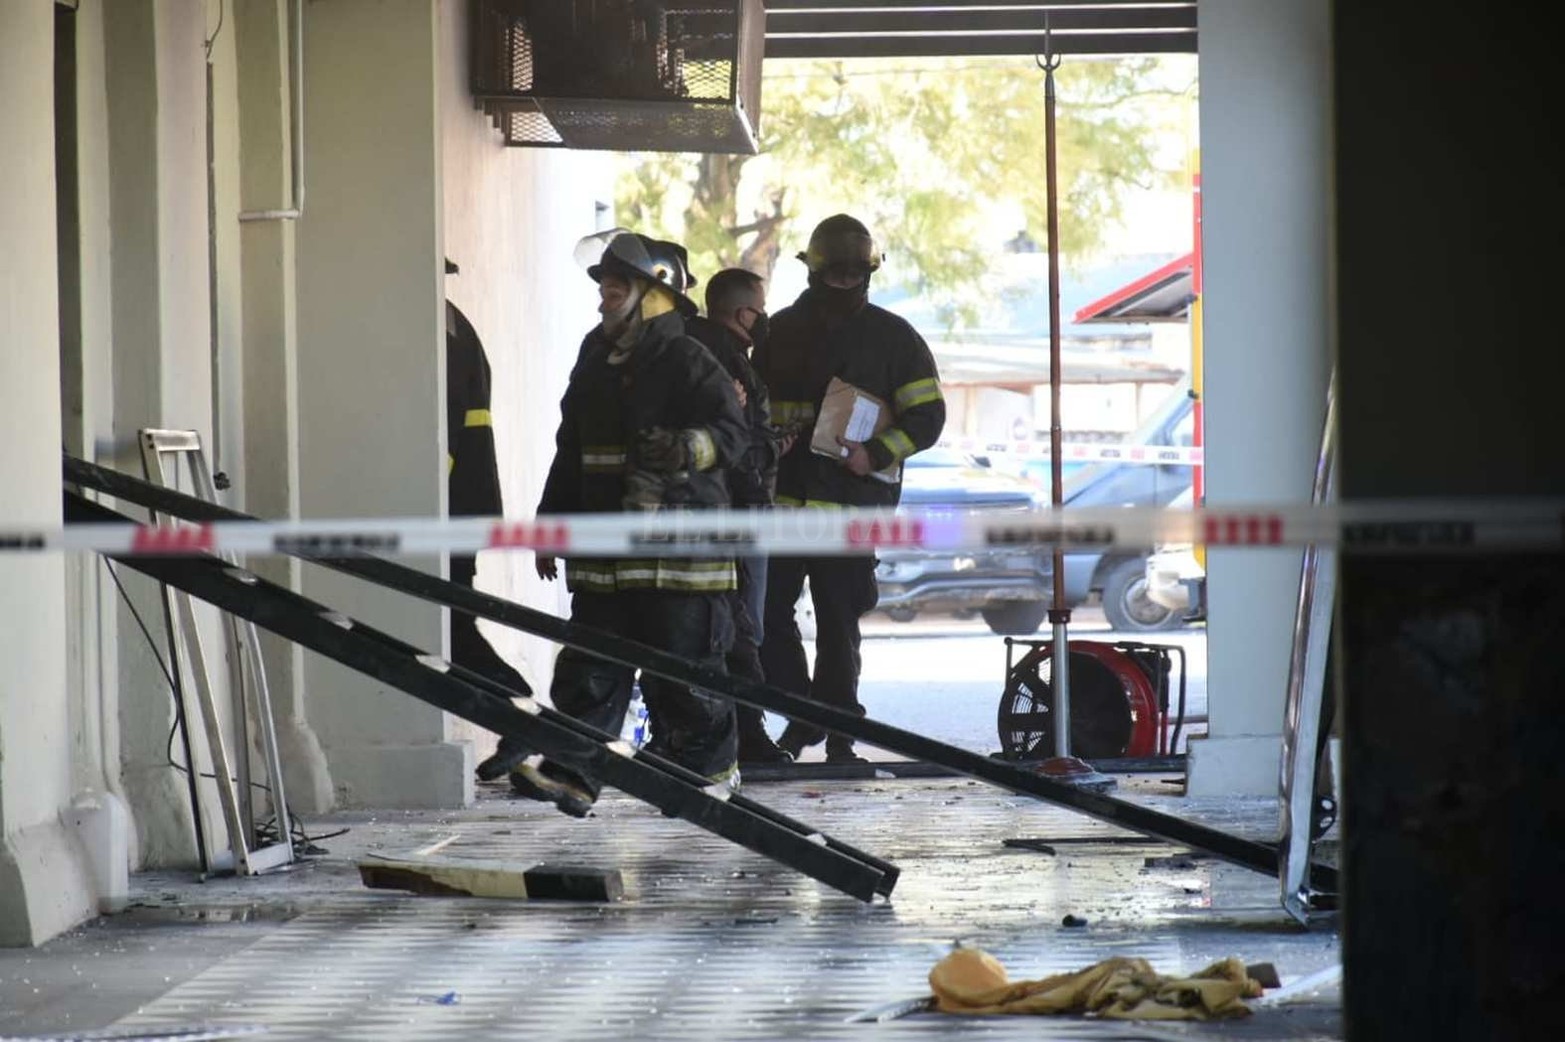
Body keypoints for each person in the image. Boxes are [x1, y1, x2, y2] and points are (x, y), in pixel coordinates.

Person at [510, 231, 748, 816]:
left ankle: (705, 782)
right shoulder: (595, 358)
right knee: (590, 669)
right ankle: (572, 773)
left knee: (685, 677)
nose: (602, 301)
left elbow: (735, 435)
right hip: (605, 557)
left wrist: (685, 448)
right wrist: (551, 524)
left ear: (656, 294)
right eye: (604, 291)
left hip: (681, 560)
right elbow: (571, 449)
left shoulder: (690, 358)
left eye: (616, 290)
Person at [753, 215, 946, 764]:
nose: (841, 285)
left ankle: (839, 735)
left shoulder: (895, 338)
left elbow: (928, 415)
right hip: (785, 507)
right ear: (814, 272)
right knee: (766, 616)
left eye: (850, 276)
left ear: (867, 274)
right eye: (832, 275)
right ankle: (803, 714)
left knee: (838, 624)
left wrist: (877, 453)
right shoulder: (778, 332)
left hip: (851, 507)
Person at [680, 268, 791, 766]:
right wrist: (776, 446)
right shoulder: (724, 363)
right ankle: (744, 737)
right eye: (759, 308)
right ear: (742, 312)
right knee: (741, 631)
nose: (764, 318)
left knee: (723, 629)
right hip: (736, 516)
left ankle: (727, 735)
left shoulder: (692, 351)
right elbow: (737, 447)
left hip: (716, 514)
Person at [443, 258, 535, 738]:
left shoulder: (436, 333)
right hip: (461, 505)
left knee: (452, 632)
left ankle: (520, 715)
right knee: (452, 628)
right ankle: (519, 717)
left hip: (448, 509)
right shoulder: (453, 325)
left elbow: (446, 434)